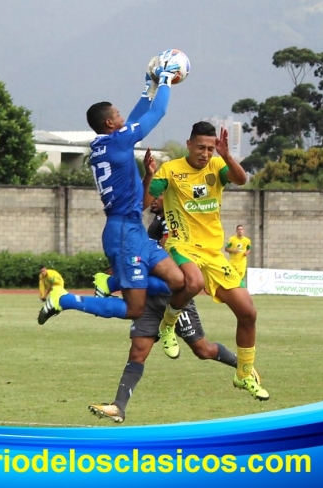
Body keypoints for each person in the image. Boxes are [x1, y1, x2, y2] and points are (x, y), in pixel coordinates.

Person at [38, 60, 193, 360]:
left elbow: (135, 118)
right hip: (123, 233)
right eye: (117, 114)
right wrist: (164, 81)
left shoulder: (104, 144)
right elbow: (156, 114)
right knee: (134, 309)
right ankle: (64, 299)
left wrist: (147, 89)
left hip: (132, 228)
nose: (123, 116)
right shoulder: (119, 140)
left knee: (178, 282)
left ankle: (110, 282)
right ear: (110, 123)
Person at [88, 194, 259, 423]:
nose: (153, 201)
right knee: (138, 350)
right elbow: (142, 255)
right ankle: (118, 407)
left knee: (203, 350)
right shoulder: (156, 226)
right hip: (150, 297)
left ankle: (243, 366)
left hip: (178, 299)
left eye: (158, 197)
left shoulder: (187, 222)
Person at [148, 121, 270, 401]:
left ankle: (243, 374)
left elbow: (241, 180)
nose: (205, 153)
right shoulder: (172, 169)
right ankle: (168, 324)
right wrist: (149, 176)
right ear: (189, 144)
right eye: (201, 147)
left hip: (214, 252)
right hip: (183, 244)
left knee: (248, 313)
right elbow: (148, 198)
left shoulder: (217, 166)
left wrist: (226, 156)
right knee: (193, 281)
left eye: (210, 148)